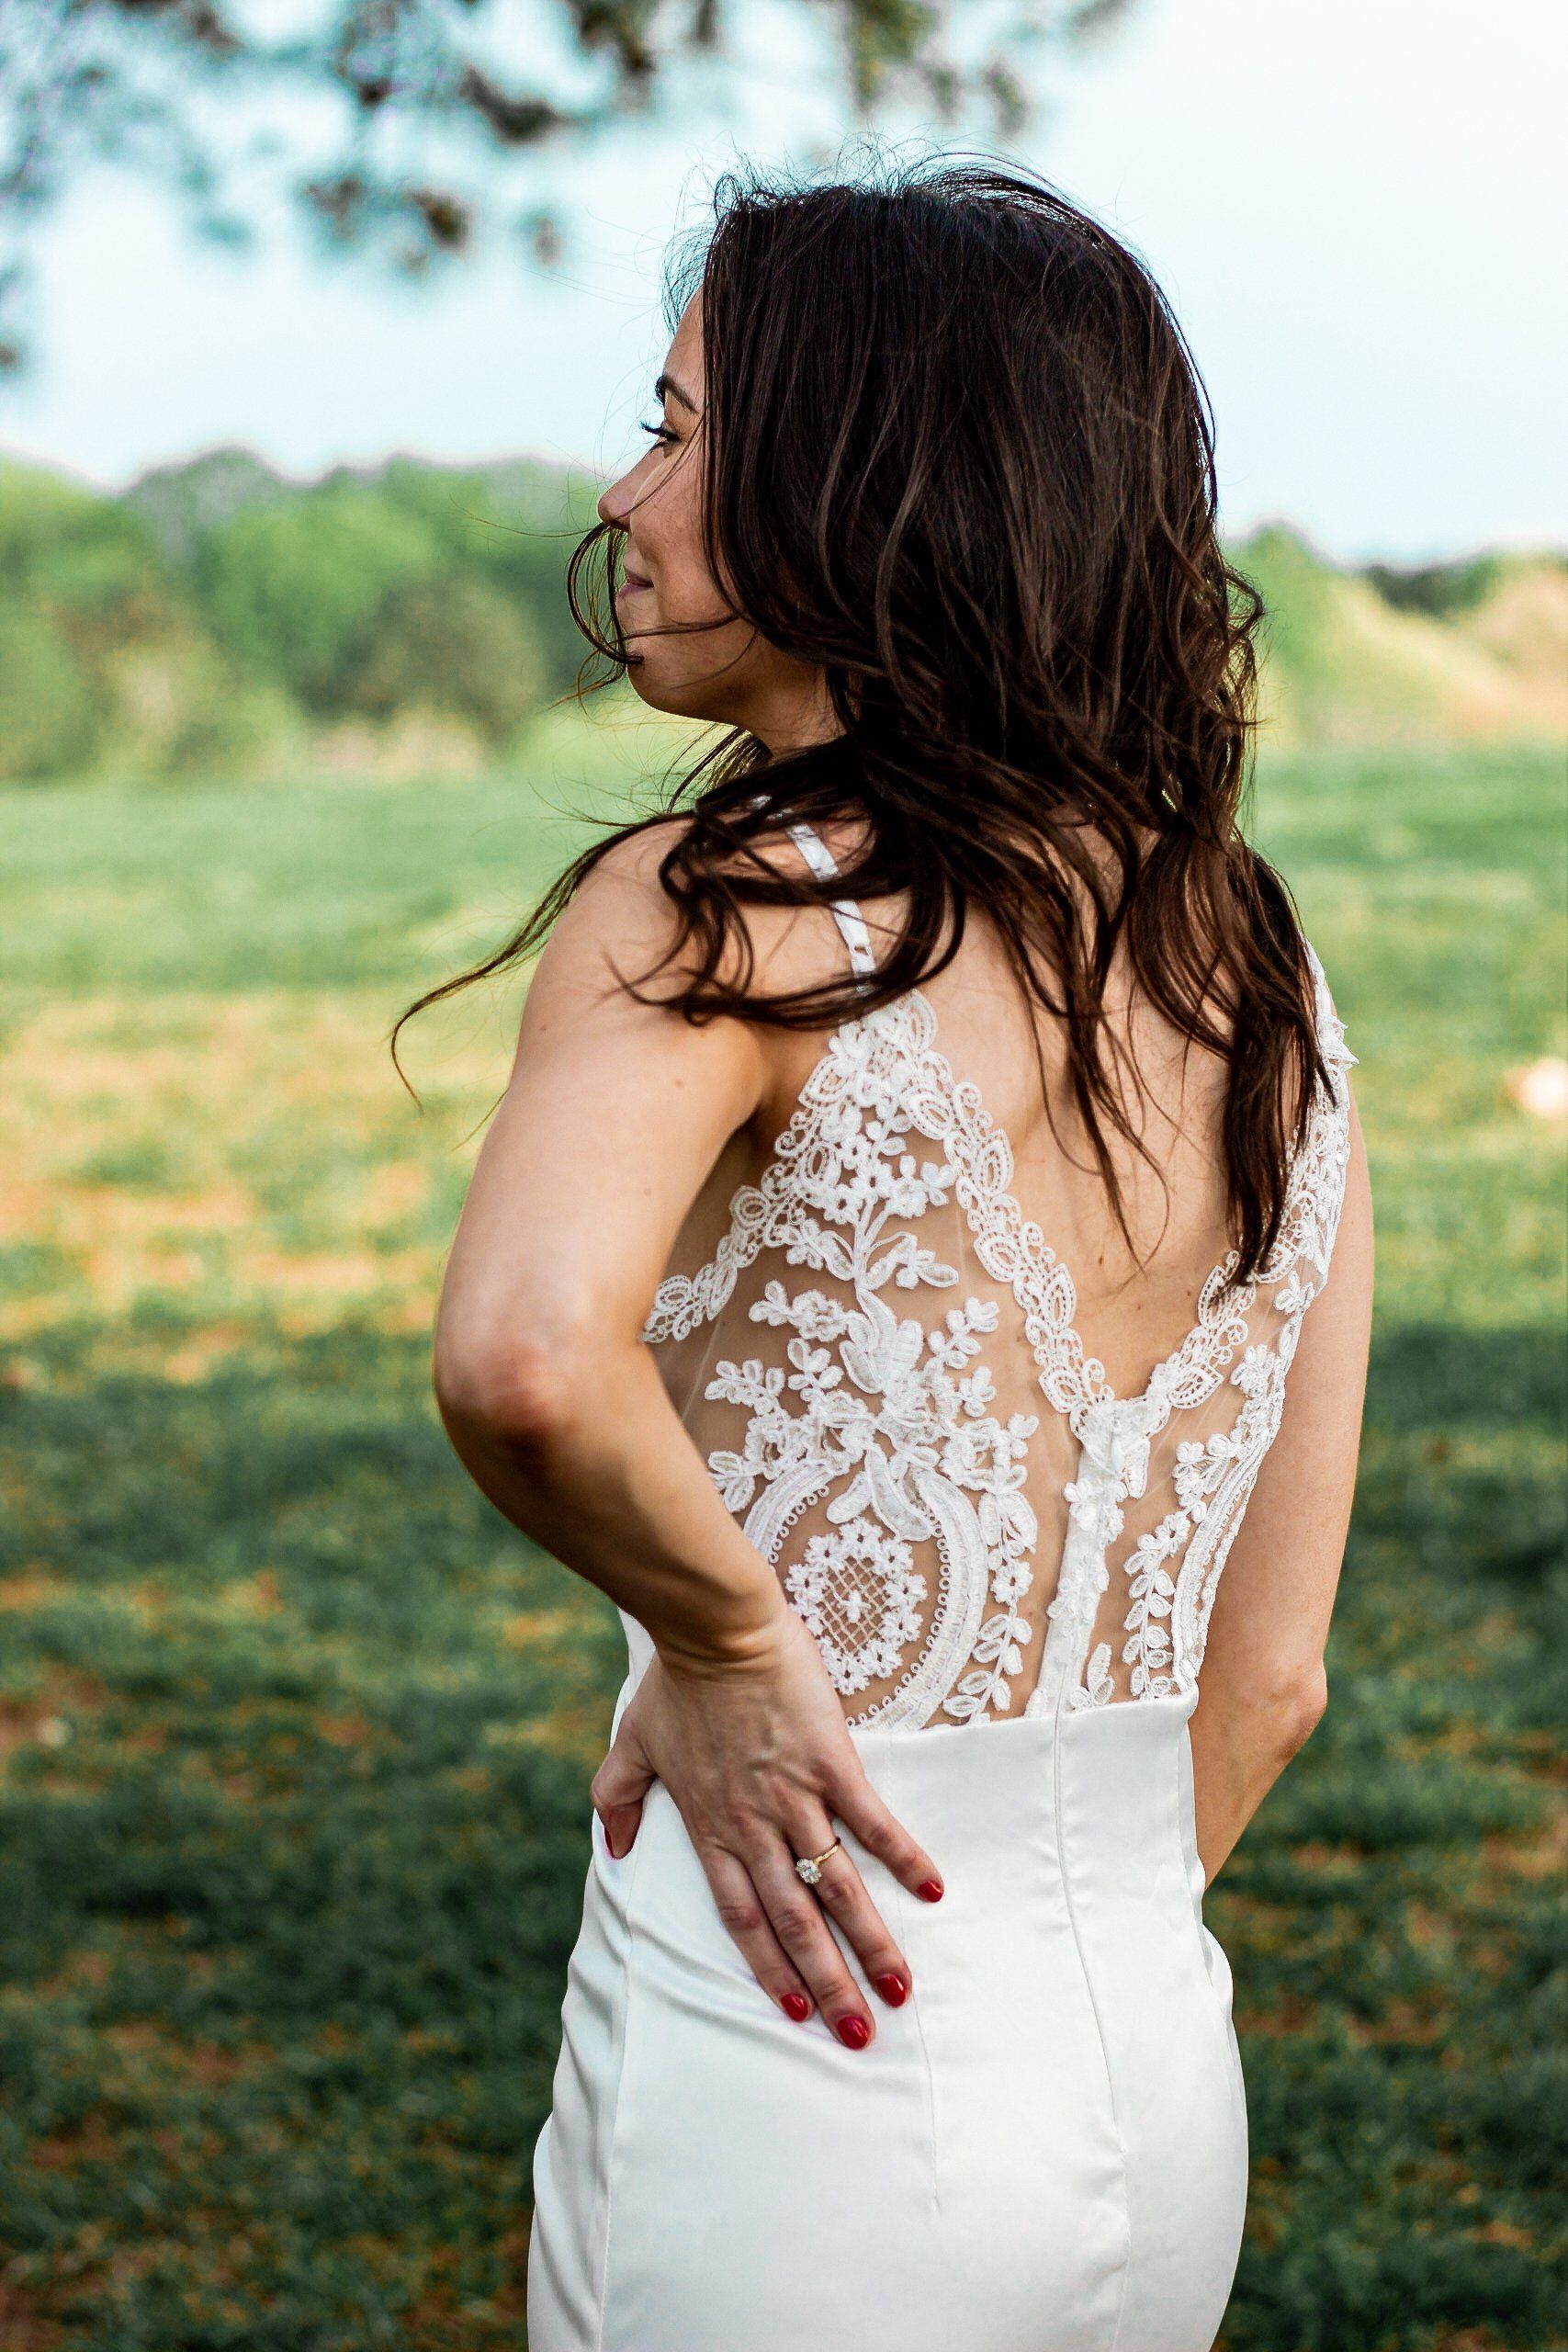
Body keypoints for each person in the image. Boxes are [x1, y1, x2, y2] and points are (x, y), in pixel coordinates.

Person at [416, 157, 1374, 2352]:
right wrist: (1041, 1979)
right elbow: (1274, 1674)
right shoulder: (1259, 968)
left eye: (671, 425)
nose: (622, 490)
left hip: (795, 2075)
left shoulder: (716, 901)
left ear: (858, 482)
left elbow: (528, 1358)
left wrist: (731, 1644)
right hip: (1147, 2061)